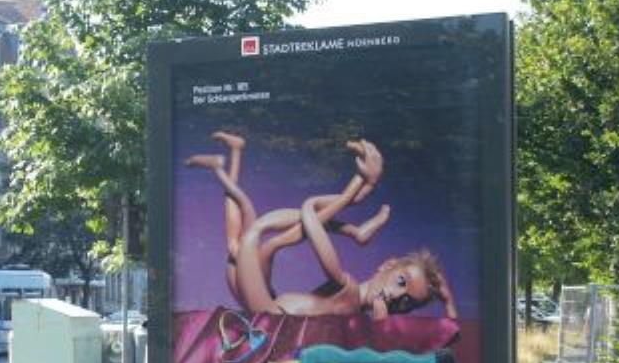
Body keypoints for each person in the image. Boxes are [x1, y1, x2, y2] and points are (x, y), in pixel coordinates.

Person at [187, 133, 457, 321]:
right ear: (388, 265)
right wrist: (357, 189)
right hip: (269, 306)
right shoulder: (349, 290)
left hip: (269, 315)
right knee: (251, 239)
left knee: (254, 230)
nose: (396, 296)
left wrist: (358, 188)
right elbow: (312, 224)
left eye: (406, 302)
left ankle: (226, 162)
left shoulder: (353, 299)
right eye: (401, 282)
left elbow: (311, 218)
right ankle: (232, 154)